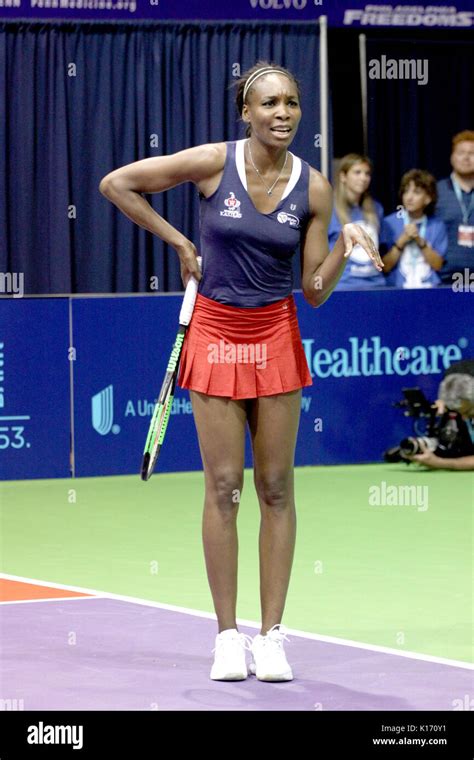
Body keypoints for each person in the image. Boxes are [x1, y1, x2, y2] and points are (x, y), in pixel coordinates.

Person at [99, 61, 382, 682]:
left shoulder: (313, 189)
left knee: (276, 488)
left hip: (276, 334)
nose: (283, 113)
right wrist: (178, 242)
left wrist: (341, 244)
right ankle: (227, 637)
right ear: (246, 113)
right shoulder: (210, 163)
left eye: (292, 103)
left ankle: (271, 636)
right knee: (224, 484)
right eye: (270, 104)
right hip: (217, 335)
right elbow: (117, 184)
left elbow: (312, 291)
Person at [380, 169, 447, 288]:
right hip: (398, 289)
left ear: (428, 198)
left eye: (416, 192)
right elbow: (385, 267)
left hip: (428, 288)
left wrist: (420, 241)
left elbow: (438, 265)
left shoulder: (437, 225)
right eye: (406, 192)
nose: (409, 197)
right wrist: (401, 242)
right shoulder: (389, 223)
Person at [328, 153, 385, 289]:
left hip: (376, 284)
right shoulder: (329, 208)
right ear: (343, 176)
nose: (363, 178)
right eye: (357, 172)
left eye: (367, 174)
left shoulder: (376, 209)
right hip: (344, 285)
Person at [406, 360, 474, 471]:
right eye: (459, 412)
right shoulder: (454, 376)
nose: (464, 418)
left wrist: (439, 463)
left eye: (468, 412)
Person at [436, 130, 474, 285]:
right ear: (452, 157)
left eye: (472, 153)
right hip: (443, 279)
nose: (466, 157)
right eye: (461, 152)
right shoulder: (436, 192)